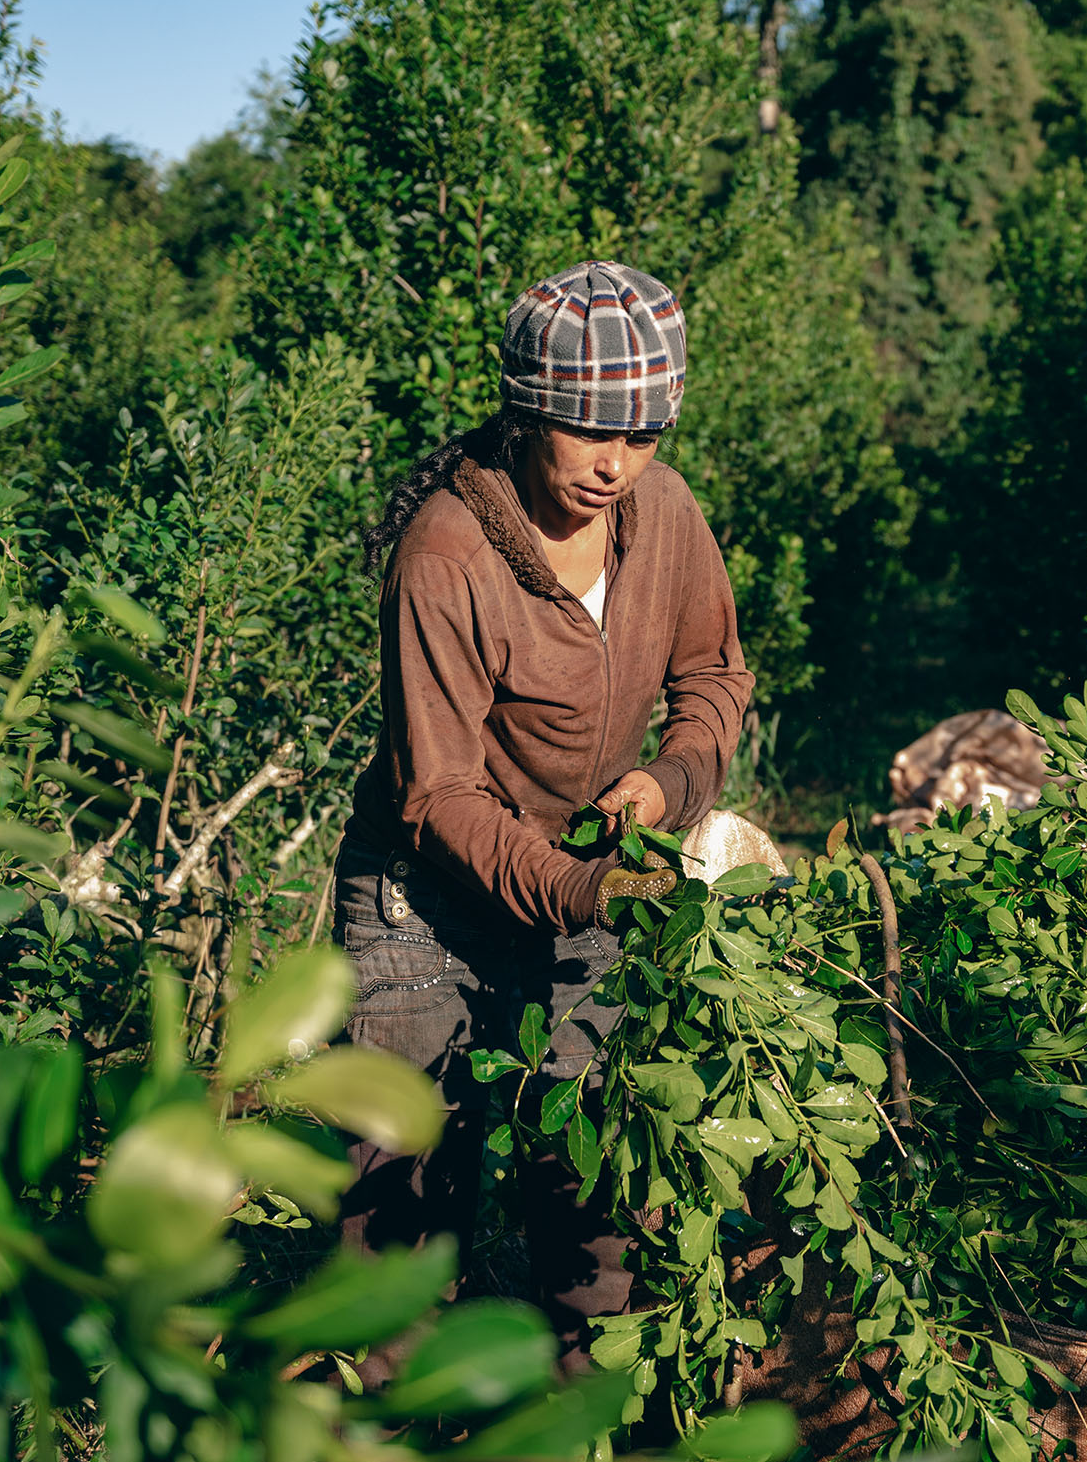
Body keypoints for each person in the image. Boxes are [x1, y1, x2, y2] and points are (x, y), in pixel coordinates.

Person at [334, 260, 755, 1371]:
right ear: (528, 412)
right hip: (423, 900)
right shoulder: (446, 556)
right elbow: (441, 797)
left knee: (601, 1213)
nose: (617, 463)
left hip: (584, 874)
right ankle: (376, 1434)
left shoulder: (660, 513)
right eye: (588, 430)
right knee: (407, 1223)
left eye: (646, 431)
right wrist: (578, 888)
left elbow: (714, 675)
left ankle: (584, 1422)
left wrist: (663, 787)